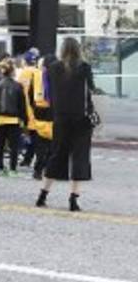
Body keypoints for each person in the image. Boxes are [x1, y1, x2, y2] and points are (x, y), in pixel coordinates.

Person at [37, 38, 97, 211]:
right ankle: (73, 199)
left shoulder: (53, 68)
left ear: (62, 50)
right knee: (80, 157)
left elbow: (48, 94)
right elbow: (92, 89)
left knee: (56, 154)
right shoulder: (84, 67)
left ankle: (42, 195)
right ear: (78, 49)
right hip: (81, 118)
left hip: (60, 118)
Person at [0, 59, 26, 176]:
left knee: (0, 144)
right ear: (12, 71)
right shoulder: (17, 86)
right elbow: (22, 104)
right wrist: (23, 118)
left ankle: (0, 167)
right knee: (14, 145)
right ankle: (12, 168)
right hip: (13, 119)